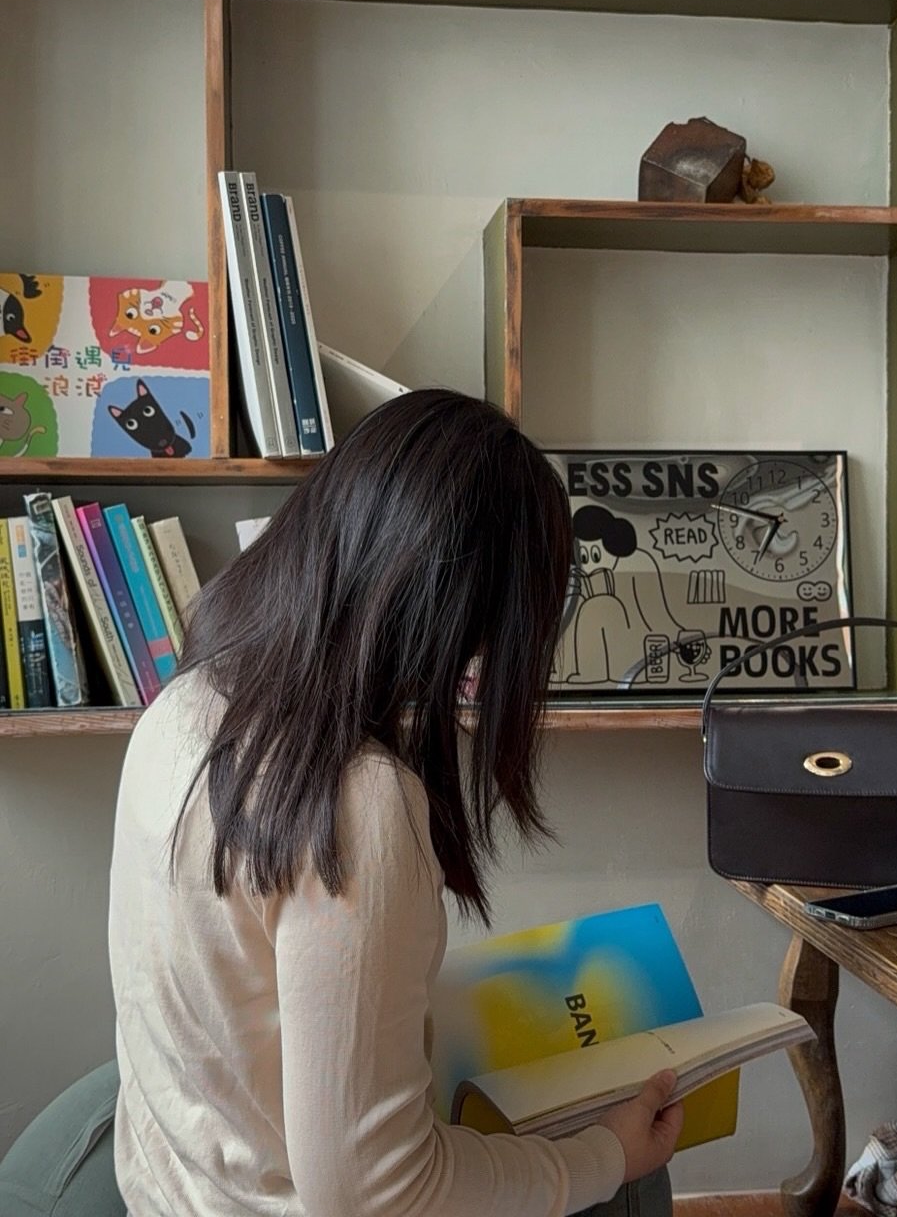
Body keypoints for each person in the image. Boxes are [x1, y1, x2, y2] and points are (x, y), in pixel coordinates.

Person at [107, 388, 684, 1216]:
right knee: (638, 1165)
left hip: (172, 1190)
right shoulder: (356, 800)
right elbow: (374, 1194)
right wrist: (603, 1156)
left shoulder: (184, 705)